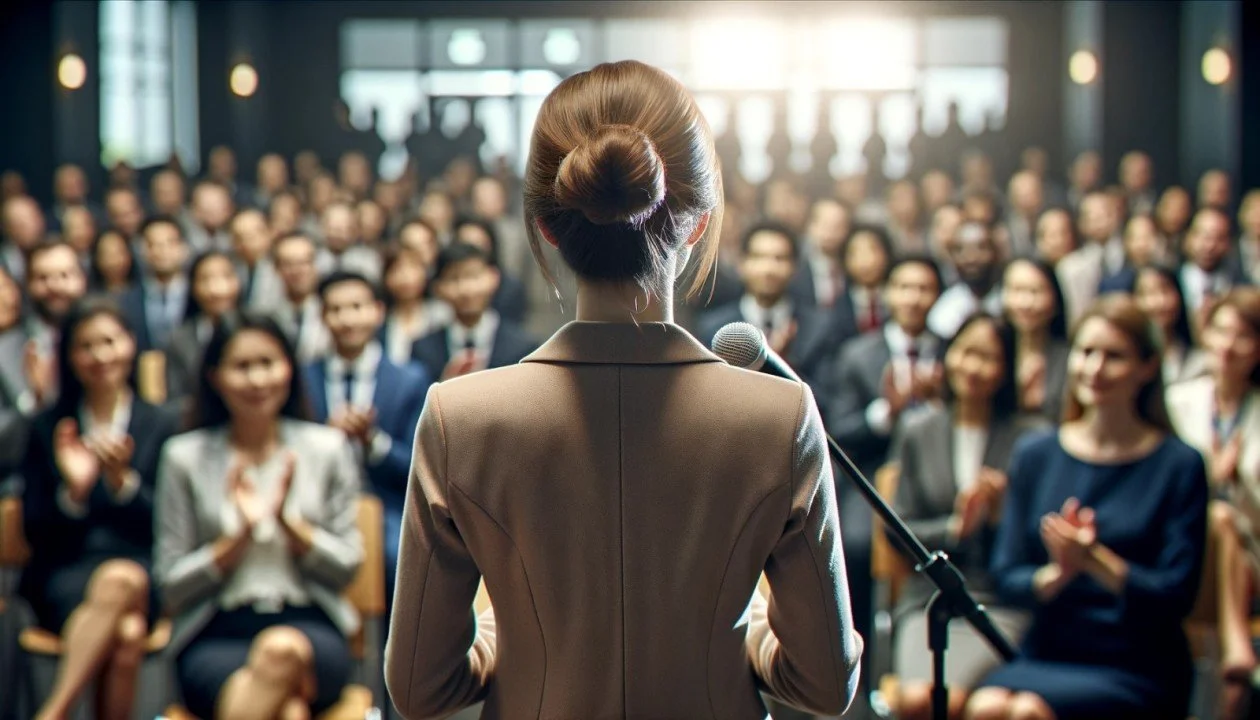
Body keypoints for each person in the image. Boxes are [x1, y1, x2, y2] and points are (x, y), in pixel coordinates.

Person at [384, 59, 863, 719]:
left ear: (548, 227)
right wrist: (747, 626)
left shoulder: (459, 418)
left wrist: (502, 627)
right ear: (696, 222)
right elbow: (824, 685)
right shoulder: (778, 417)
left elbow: (418, 689)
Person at [968, 294, 1208, 720]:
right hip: (1051, 649)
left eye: (1113, 356)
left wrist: (1095, 561)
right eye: (1086, 352)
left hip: (1137, 660)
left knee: (1027, 713)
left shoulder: (1179, 464)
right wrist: (1057, 574)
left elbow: (1176, 595)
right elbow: (1006, 576)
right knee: (986, 706)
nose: (1094, 369)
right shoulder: (1036, 454)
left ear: (1147, 368)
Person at [153, 312, 362, 720]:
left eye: (267, 363)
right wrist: (236, 541)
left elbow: (350, 567)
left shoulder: (327, 449)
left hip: (311, 624)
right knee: (289, 711)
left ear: (289, 368)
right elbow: (170, 585)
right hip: (215, 632)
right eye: (242, 367)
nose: (257, 380)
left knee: (280, 650)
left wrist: (291, 527)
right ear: (215, 376)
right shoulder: (183, 457)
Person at [19, 298, 180, 720]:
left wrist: (120, 484)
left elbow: (170, 524)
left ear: (131, 345)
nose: (100, 356)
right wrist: (74, 492)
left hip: (143, 568)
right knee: (126, 634)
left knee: (123, 578)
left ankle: (53, 711)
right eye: (86, 346)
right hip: (66, 574)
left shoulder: (163, 423)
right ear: (70, 357)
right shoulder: (48, 425)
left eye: (110, 341)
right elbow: (32, 529)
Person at [891, 313, 1038, 720]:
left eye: (988, 357)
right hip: (928, 599)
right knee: (922, 700)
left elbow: (1038, 539)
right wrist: (955, 527)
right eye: (966, 352)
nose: (973, 367)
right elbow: (896, 529)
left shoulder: (1029, 438)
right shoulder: (919, 429)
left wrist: (998, 518)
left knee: (979, 709)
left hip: (997, 600)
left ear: (1006, 369)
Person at [306, 270, 428, 605]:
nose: (347, 319)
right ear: (321, 316)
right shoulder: (302, 378)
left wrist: (372, 441)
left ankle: (393, 654)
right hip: (315, 505)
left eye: (357, 307)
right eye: (336, 309)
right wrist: (324, 440)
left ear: (377, 311)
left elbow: (419, 466)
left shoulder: (409, 379)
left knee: (397, 559)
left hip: (384, 502)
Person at [1166, 288, 1260, 720]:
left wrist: (1236, 482)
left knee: (1222, 518)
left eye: (1242, 336)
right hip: (1183, 544)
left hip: (1252, 552)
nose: (1227, 345)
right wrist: (1209, 479)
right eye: (1220, 330)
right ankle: (1234, 649)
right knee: (1212, 517)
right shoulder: (1178, 399)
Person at [409, 242, 538, 382]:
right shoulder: (423, 350)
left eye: (473, 276)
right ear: (438, 288)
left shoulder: (523, 348)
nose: (466, 289)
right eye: (454, 278)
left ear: (493, 277)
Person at [163, 250, 242, 404]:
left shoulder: (255, 332)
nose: (217, 288)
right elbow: (175, 400)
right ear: (193, 287)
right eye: (206, 279)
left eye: (225, 276)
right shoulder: (179, 340)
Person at [1001, 259, 1070, 421]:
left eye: (1036, 291)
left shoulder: (1069, 357)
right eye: (1017, 290)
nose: (1026, 303)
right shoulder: (996, 352)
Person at [1129, 265, 1207, 386]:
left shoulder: (1198, 359)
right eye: (1147, 293)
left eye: (1165, 291)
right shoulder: (1127, 358)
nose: (1158, 302)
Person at [379, 244, 452, 367]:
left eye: (412, 267)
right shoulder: (381, 320)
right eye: (397, 269)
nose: (405, 276)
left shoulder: (442, 314)